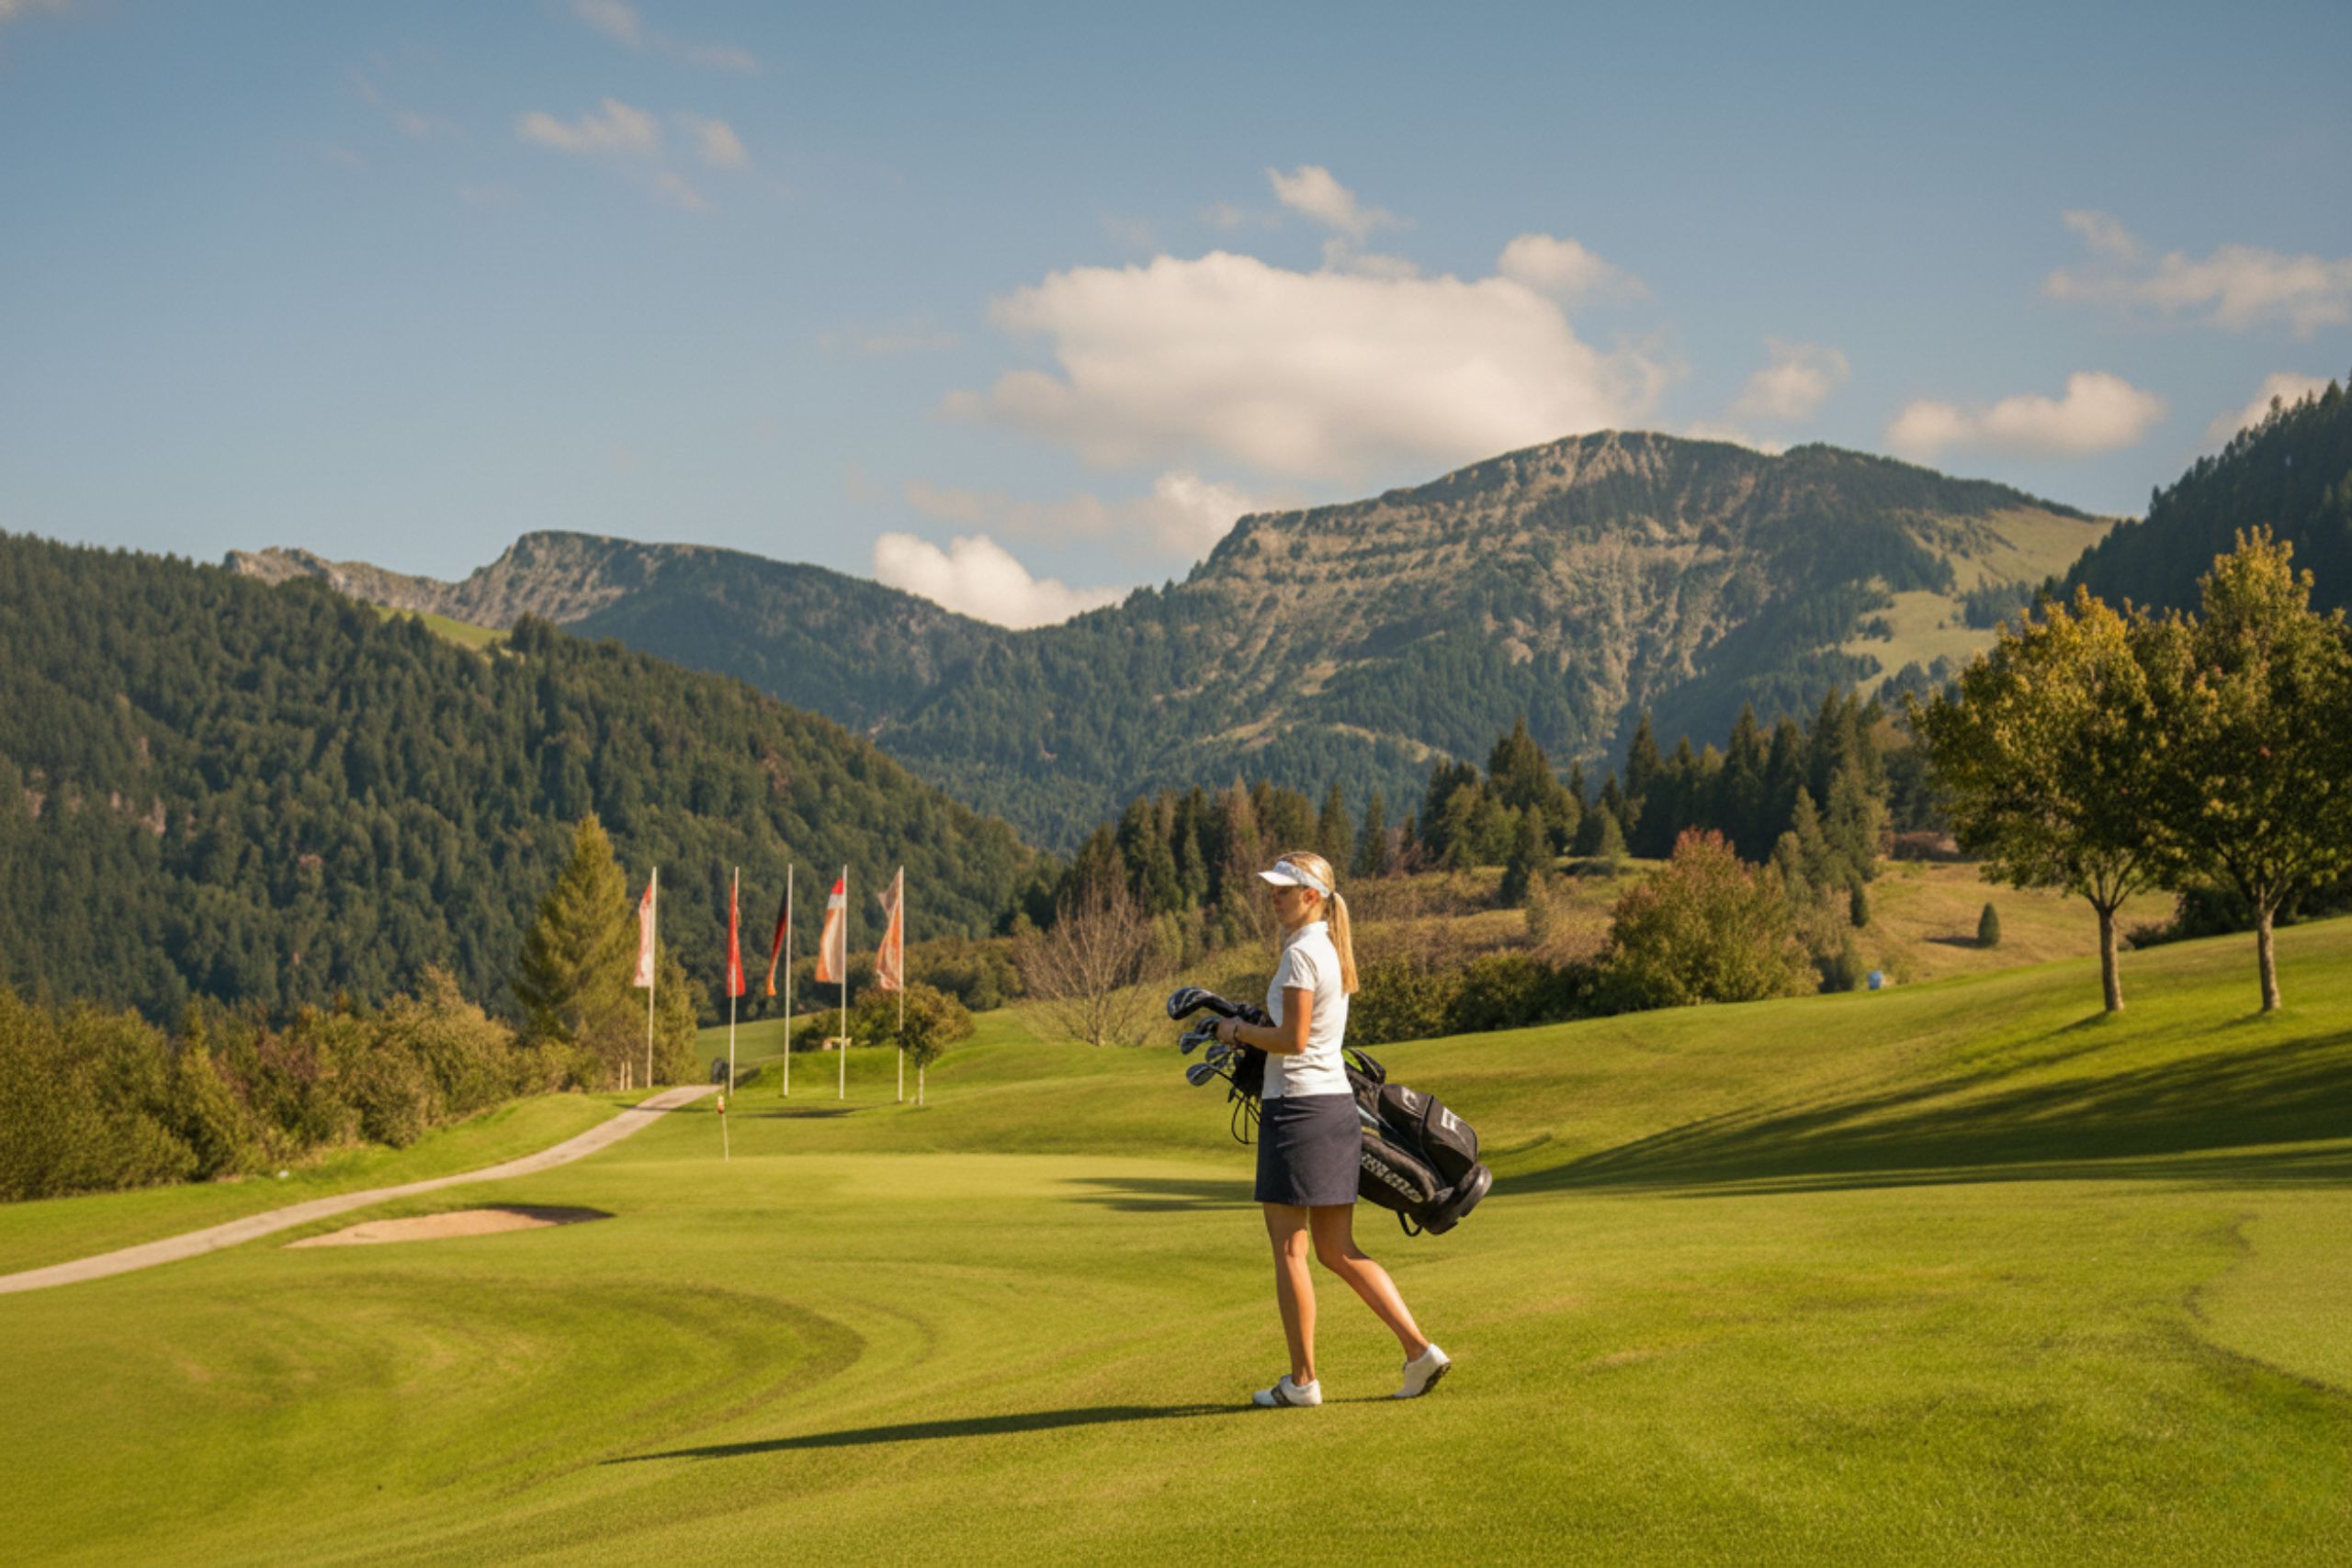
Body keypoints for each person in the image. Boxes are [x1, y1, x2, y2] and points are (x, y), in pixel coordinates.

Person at [1214, 849, 1450, 1406]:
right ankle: (1420, 1353)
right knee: (1336, 1249)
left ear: (1311, 897)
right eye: (1271, 890)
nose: (1273, 898)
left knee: (1291, 1250)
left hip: (1298, 1111)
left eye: (1282, 891)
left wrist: (1235, 1032)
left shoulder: (1301, 953)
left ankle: (1302, 1382)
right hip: (1331, 1108)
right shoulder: (1325, 947)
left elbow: (1293, 1039)